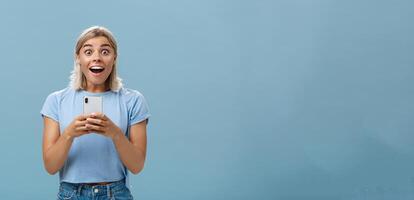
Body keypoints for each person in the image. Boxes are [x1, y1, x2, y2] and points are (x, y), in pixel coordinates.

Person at [40, 26, 150, 200]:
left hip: (116, 193)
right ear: (78, 58)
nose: (97, 58)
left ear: (114, 58)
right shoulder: (56, 101)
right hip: (70, 194)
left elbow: (137, 166)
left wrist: (115, 133)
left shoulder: (133, 100)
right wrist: (69, 134)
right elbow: (51, 166)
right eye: (88, 51)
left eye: (105, 51)